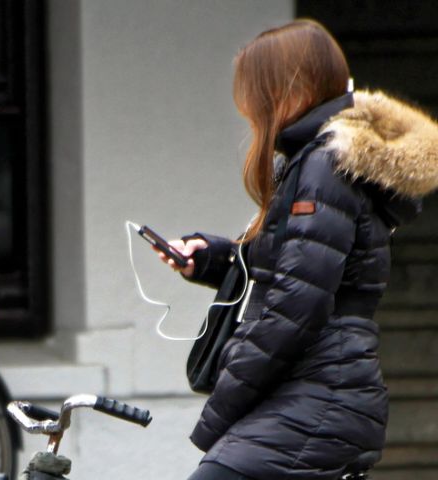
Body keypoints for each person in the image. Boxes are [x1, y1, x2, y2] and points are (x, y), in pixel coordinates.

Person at [158, 19, 438, 480]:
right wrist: (210, 258)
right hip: (320, 392)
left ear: (285, 90)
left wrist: (226, 402)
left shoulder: (325, 165)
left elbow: (297, 304)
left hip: (318, 398)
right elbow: (299, 267)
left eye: (253, 94)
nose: (247, 109)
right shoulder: (316, 159)